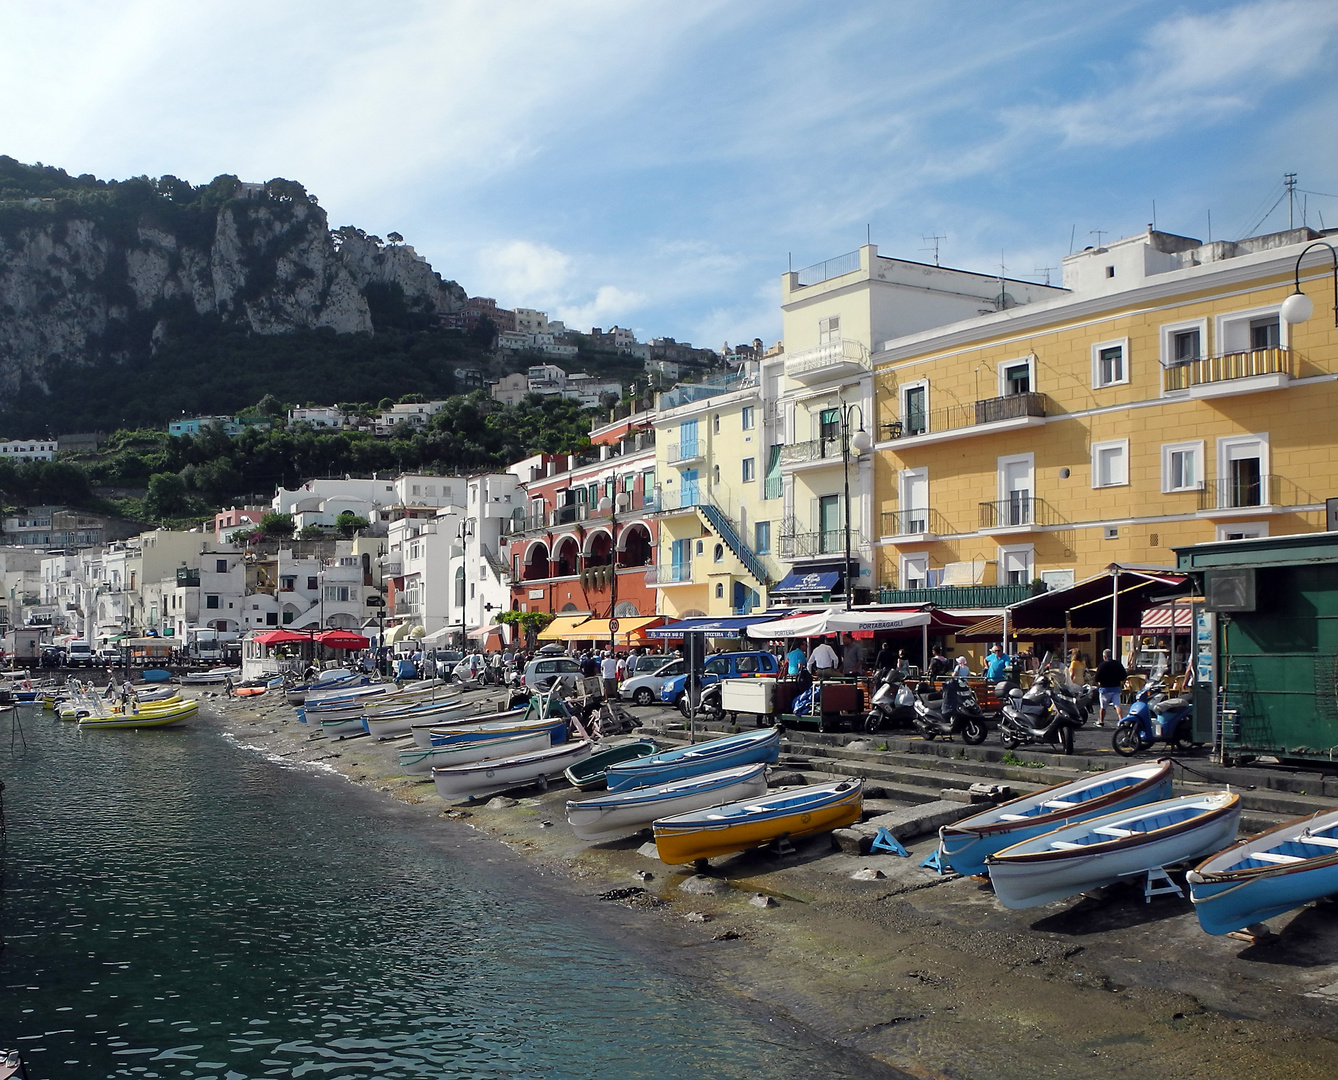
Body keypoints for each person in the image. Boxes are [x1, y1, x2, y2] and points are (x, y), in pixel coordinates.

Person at [1093, 648, 1127, 728]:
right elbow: (1124, 675)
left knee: (1103, 707)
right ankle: (1121, 720)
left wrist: (1098, 682)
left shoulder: (1102, 665)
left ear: (1104, 657)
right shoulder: (1117, 664)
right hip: (1116, 688)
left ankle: (1101, 721)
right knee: (1117, 705)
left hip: (1105, 689)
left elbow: (1097, 677)